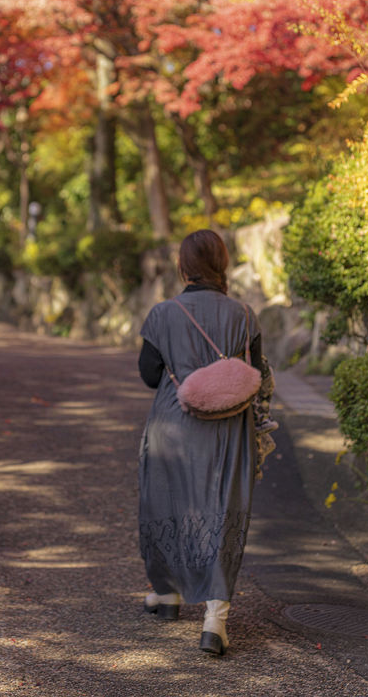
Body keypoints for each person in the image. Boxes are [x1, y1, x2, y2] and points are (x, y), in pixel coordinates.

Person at [137, 228, 273, 657]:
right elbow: (258, 373)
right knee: (221, 509)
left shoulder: (162, 314)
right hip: (228, 430)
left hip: (173, 423)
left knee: (165, 503)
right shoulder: (245, 315)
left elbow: (148, 374)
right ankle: (216, 619)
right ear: (223, 265)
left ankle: (168, 595)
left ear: (183, 266)